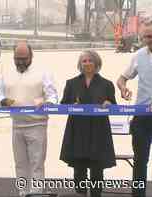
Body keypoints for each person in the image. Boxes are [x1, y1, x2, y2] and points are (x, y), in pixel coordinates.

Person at [0, 41, 58, 196]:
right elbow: (0, 94)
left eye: (24, 58)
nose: (20, 62)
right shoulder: (7, 72)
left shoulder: (43, 72)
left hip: (37, 125)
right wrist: (2, 100)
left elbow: (53, 96)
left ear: (31, 56)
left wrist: (47, 103)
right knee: (20, 164)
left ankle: (36, 193)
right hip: (16, 125)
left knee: (37, 164)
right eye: (17, 58)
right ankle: (23, 193)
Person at [60, 50, 117, 197]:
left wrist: (108, 103)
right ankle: (81, 194)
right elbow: (63, 104)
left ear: (97, 63)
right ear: (80, 64)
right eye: (84, 61)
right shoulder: (71, 83)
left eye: (90, 60)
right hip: (77, 130)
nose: (87, 63)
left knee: (97, 168)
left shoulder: (107, 84)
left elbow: (114, 107)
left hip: (99, 130)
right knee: (79, 168)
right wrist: (72, 104)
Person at [117, 23, 152, 197]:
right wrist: (123, 89)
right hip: (142, 117)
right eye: (147, 37)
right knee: (140, 161)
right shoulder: (138, 56)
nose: (150, 40)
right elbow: (121, 79)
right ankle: (138, 194)